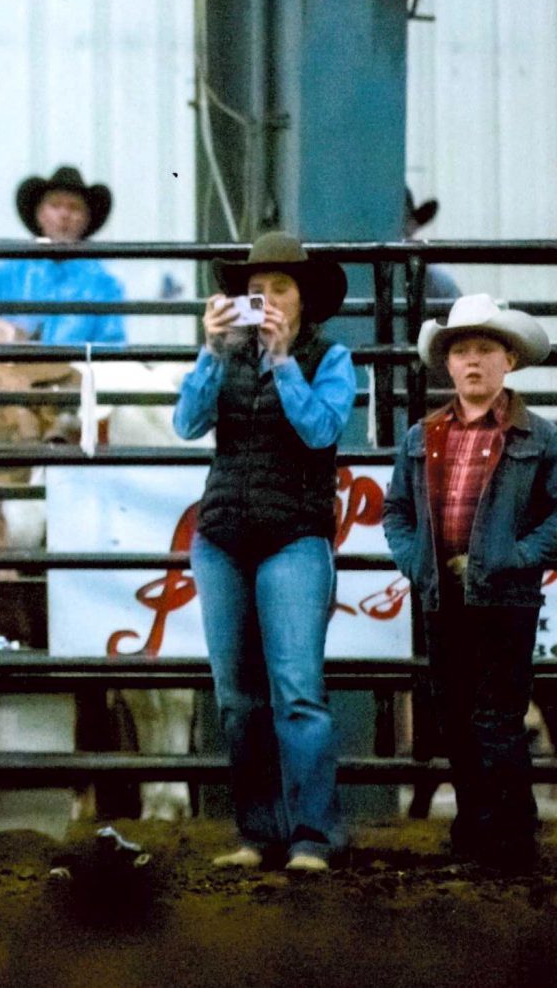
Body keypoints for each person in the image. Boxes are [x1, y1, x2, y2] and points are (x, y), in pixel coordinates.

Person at [173, 232, 357, 873]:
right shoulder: (227, 355)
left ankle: (311, 835)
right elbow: (187, 423)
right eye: (257, 290)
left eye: (281, 288)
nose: (268, 299)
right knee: (238, 697)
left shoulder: (329, 358)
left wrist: (281, 363)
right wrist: (209, 351)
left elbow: (320, 431)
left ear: (304, 299)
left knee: (297, 692)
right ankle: (261, 834)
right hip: (225, 534)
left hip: (292, 536)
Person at [382, 294, 557, 875]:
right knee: (456, 713)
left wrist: (519, 556)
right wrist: (417, 564)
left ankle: (508, 837)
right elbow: (397, 512)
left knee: (496, 715)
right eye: (461, 351)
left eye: (485, 349)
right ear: (448, 364)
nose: (473, 361)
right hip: (444, 594)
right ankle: (481, 833)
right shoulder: (422, 435)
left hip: (505, 595)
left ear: (508, 360)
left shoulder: (540, 437)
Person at [0, 165, 126, 343]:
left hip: (73, 376)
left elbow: (111, 345)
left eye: (74, 207)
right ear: (40, 215)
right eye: (55, 205)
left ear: (86, 219)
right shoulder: (3, 274)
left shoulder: (104, 284)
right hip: (5, 373)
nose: (64, 214)